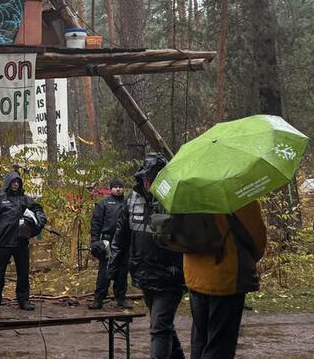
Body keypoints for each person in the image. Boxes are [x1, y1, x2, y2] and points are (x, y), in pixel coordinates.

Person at [109, 153, 186, 359]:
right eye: (145, 178)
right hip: (144, 273)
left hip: (171, 277)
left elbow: (190, 237)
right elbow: (121, 235)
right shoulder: (132, 199)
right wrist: (114, 267)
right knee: (163, 326)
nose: (147, 183)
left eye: (152, 179)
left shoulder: (177, 199)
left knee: (159, 328)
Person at [185, 200, 266, 359]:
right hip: (225, 276)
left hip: (194, 275)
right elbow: (256, 236)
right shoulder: (238, 195)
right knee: (220, 345)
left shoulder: (188, 194)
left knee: (199, 340)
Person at [0, 171, 46, 312]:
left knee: (23, 272)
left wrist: (40, 219)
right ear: (8, 183)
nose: (16, 184)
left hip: (21, 242)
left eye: (18, 182)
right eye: (13, 182)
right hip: (3, 242)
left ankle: (23, 300)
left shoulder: (25, 199)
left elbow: (37, 209)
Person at [89, 178, 132, 310]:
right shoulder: (103, 204)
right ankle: (98, 299)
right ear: (110, 189)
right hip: (107, 241)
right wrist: (95, 242)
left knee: (122, 272)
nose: (118, 189)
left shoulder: (128, 204)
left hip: (124, 241)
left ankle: (121, 298)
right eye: (115, 187)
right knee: (104, 272)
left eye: (120, 186)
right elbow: (96, 224)